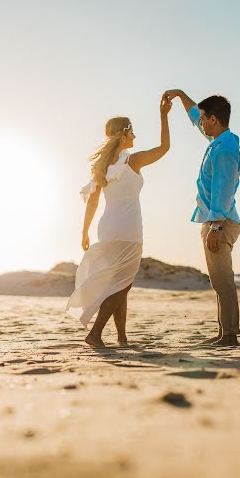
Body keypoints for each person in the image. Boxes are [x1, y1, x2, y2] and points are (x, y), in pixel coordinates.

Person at [66, 96, 172, 347]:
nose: (135, 136)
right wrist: (164, 116)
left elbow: (92, 202)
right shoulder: (132, 161)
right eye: (132, 132)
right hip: (128, 229)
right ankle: (95, 334)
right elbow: (164, 148)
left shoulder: (103, 168)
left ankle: (122, 337)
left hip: (108, 228)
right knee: (122, 287)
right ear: (124, 135)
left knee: (119, 283)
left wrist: (84, 232)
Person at [164, 90, 240, 346]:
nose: (201, 123)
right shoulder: (219, 140)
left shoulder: (224, 150)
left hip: (221, 221)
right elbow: (194, 115)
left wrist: (216, 226)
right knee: (218, 280)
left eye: (205, 119)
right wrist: (179, 94)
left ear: (214, 120)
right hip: (215, 220)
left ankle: (229, 335)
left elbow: (224, 188)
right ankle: (224, 332)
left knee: (223, 280)